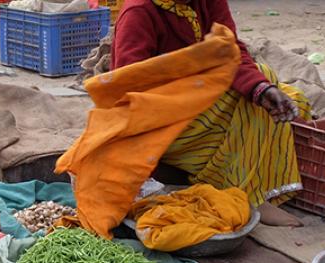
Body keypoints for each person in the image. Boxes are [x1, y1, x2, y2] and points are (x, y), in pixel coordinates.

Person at [110, 0, 310, 226]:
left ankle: (263, 183)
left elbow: (230, 51)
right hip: (161, 122)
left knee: (289, 99)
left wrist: (261, 88)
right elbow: (129, 94)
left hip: (202, 99)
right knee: (251, 97)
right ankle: (246, 195)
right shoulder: (139, 12)